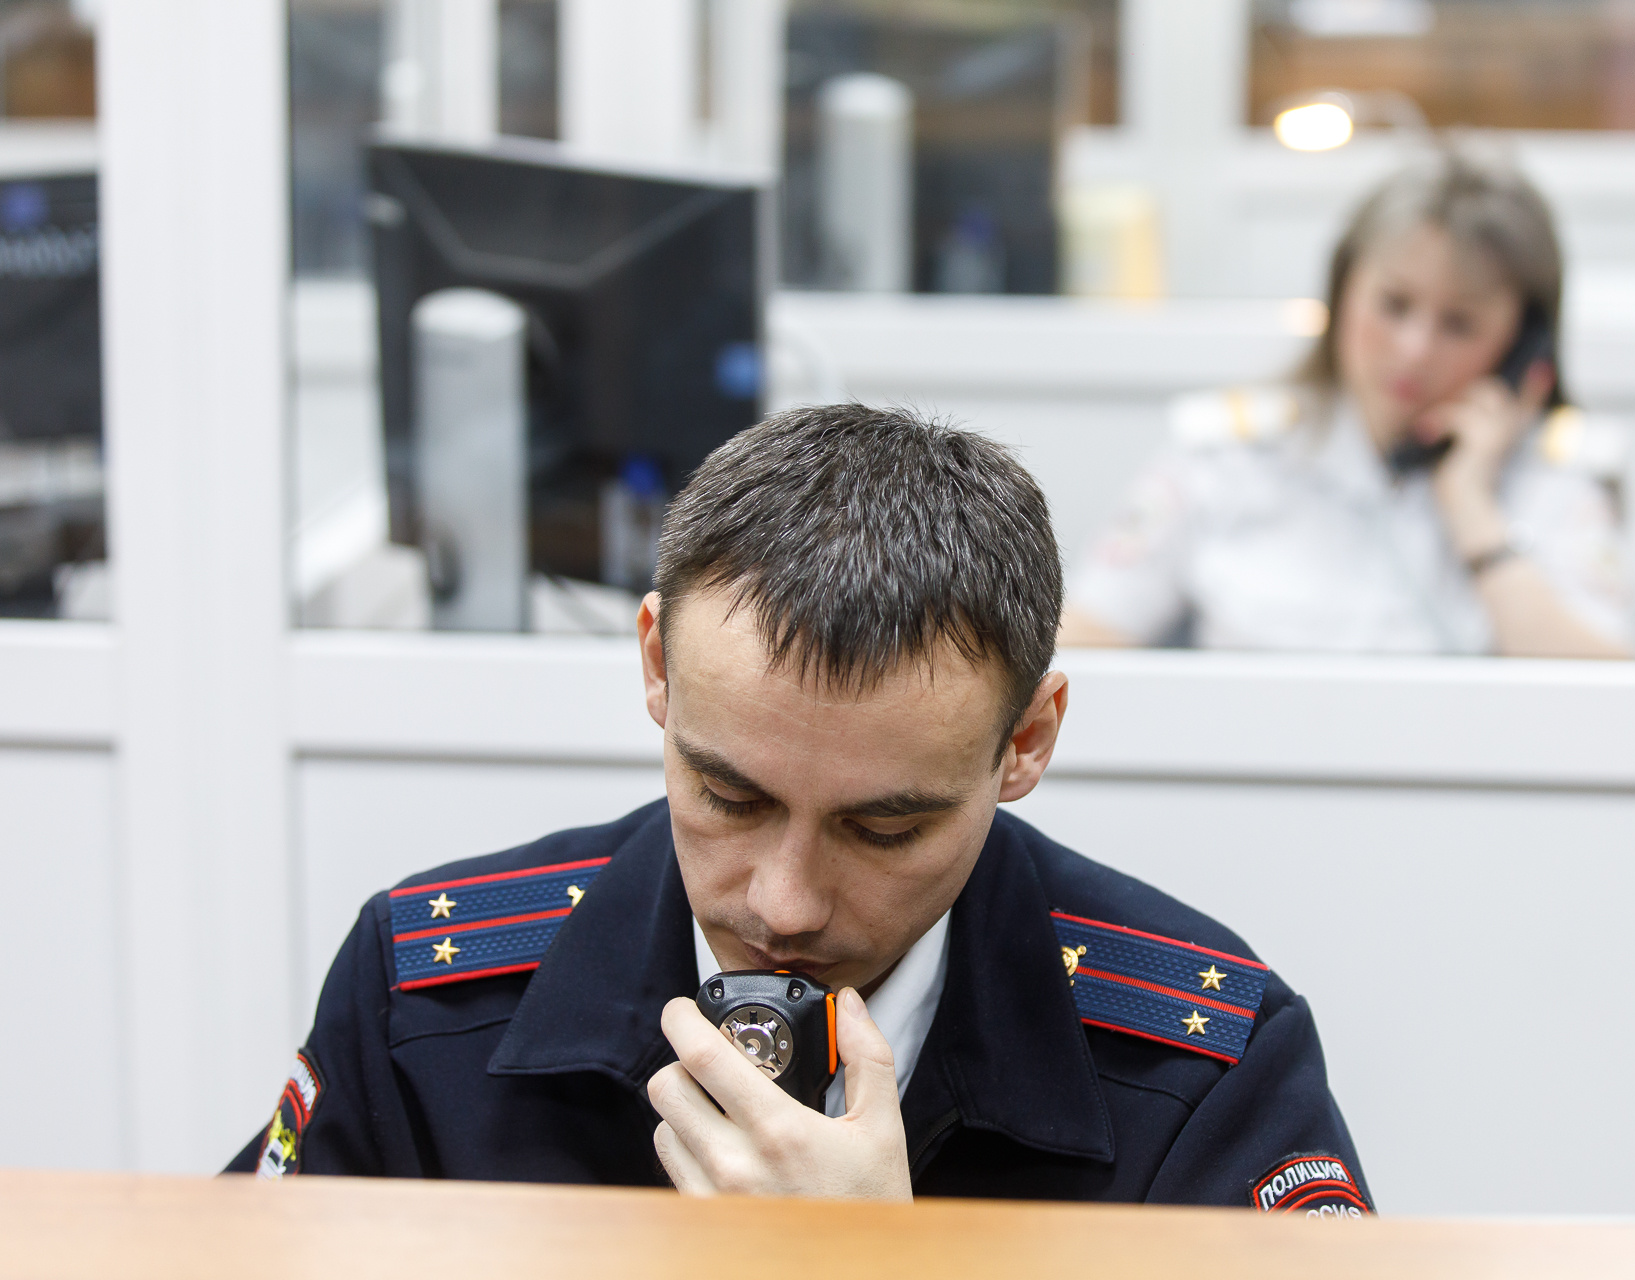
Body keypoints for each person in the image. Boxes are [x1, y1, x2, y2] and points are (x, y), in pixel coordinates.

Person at [227, 404, 1372, 1213]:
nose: (783, 900)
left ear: (1025, 740)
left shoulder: (1202, 1060)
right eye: (728, 795)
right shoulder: (425, 994)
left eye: (885, 828)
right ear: (656, 669)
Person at [1058, 148, 1630, 659]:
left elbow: (1608, 709)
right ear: (1342, 289)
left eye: (1460, 324)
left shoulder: (1557, 480)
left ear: (1523, 348)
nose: (1414, 349)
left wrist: (1475, 514)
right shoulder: (1224, 455)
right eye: (1394, 304)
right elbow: (1077, 646)